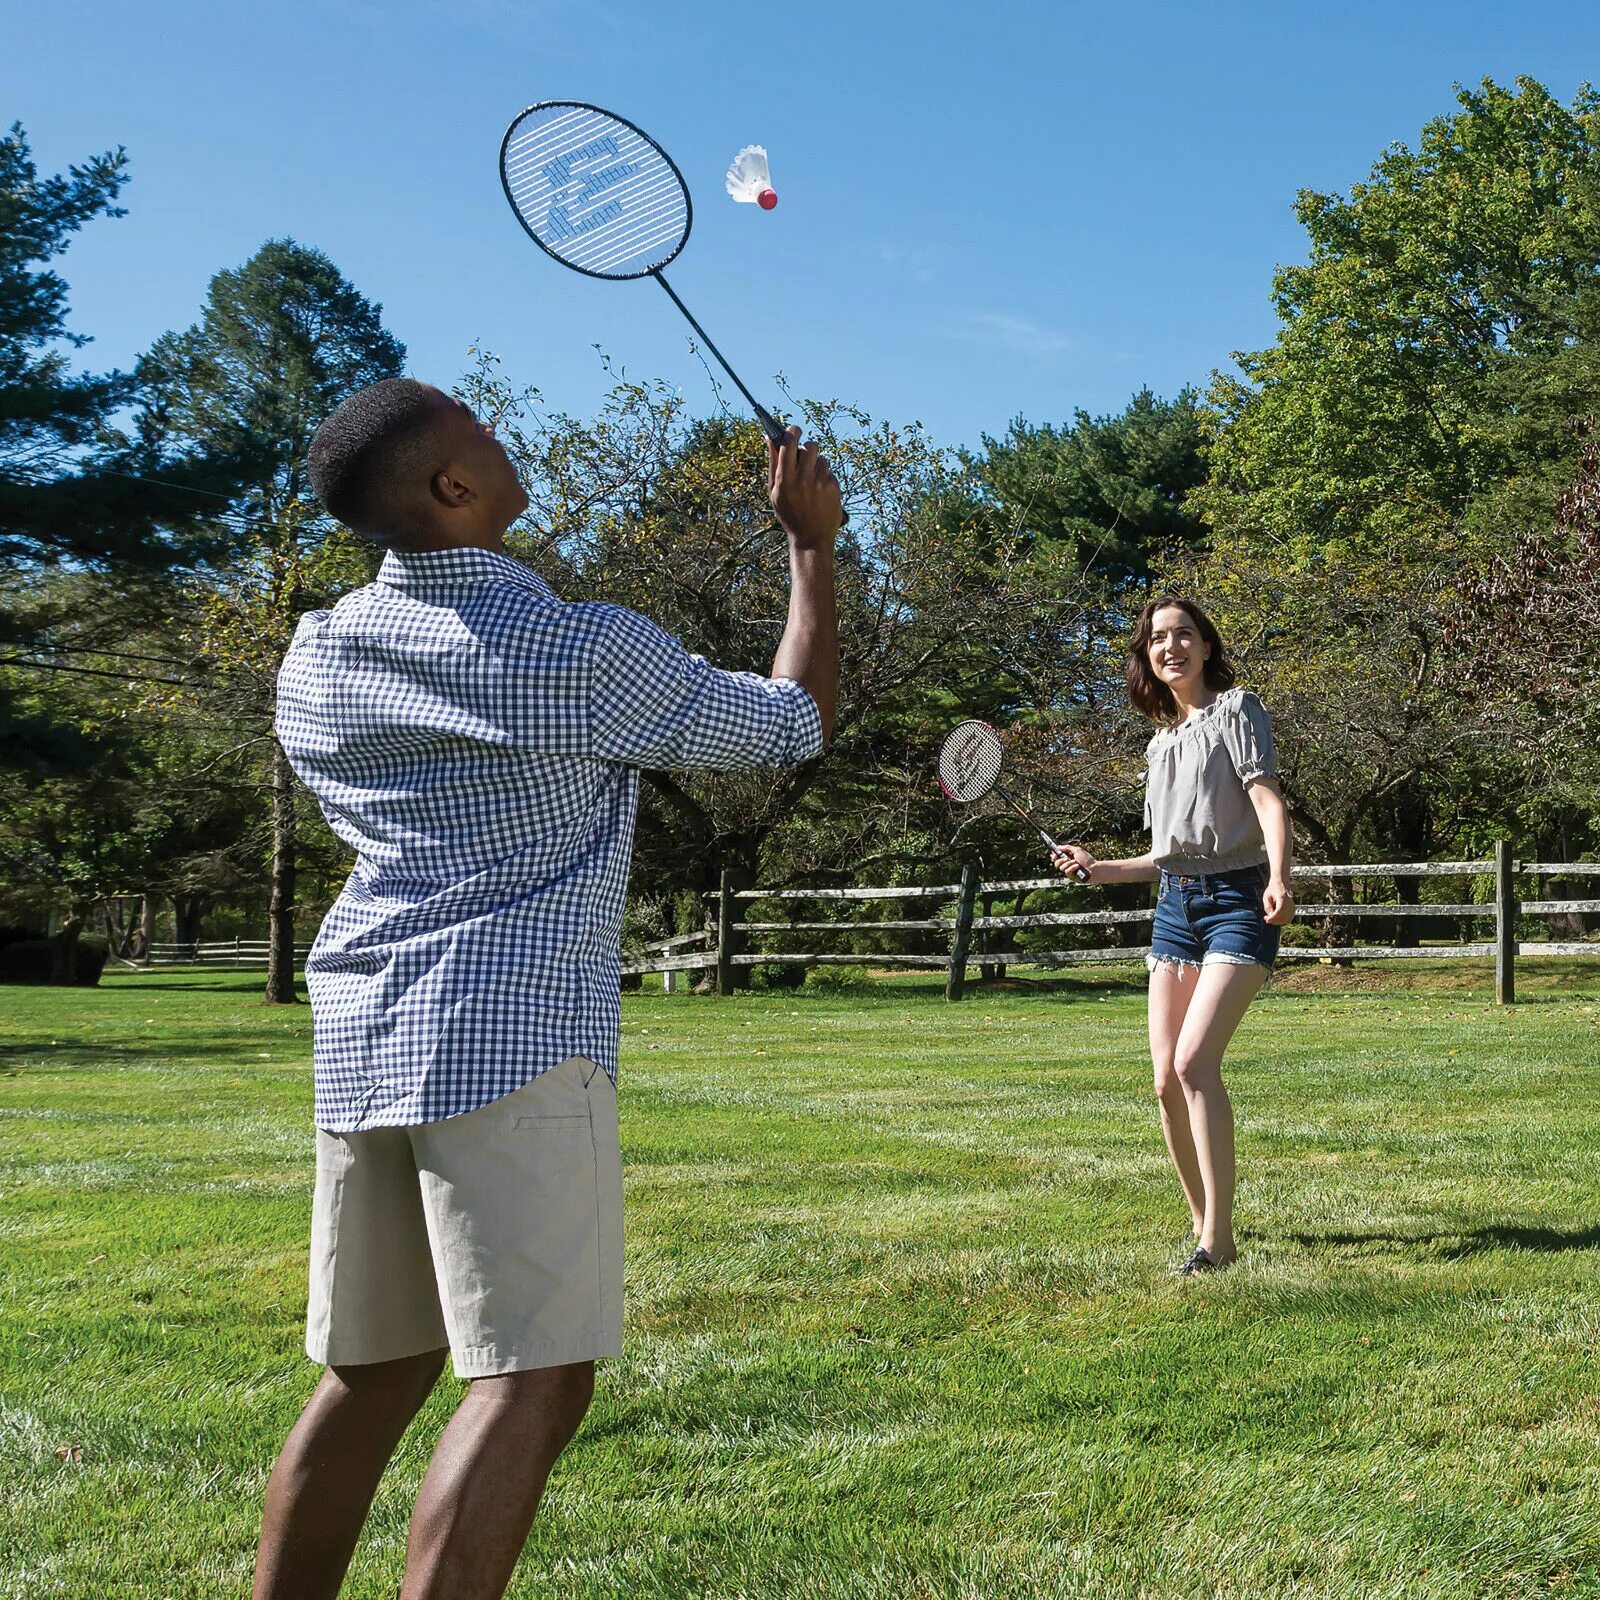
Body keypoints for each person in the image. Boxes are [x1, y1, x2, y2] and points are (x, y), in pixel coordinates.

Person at [254, 378, 841, 1600]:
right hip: (511, 1035)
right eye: (482, 435)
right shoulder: (567, 650)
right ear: (451, 488)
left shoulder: (316, 657)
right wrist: (810, 551)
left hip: (367, 1033)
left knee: (374, 1369)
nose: (504, 441)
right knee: (532, 1375)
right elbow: (790, 724)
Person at [1052, 596, 1294, 1276]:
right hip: (1174, 908)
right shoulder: (1159, 745)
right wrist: (1100, 869)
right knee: (1164, 1080)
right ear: (1147, 658)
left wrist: (1281, 875)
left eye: (1184, 635)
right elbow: (1165, 853)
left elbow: (1267, 798)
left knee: (1194, 1064)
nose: (1171, 647)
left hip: (1238, 899)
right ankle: (1205, 1225)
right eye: (1157, 640)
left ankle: (1216, 1245)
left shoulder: (1237, 710)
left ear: (1207, 646)